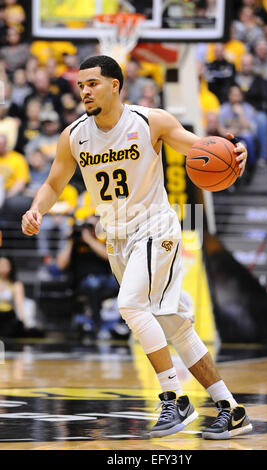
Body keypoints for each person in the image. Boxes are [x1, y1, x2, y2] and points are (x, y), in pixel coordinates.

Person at [21, 55, 251, 440]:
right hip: (117, 239)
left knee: (131, 305)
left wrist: (234, 150)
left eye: (92, 83)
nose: (84, 91)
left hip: (155, 228)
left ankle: (173, 399)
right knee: (175, 324)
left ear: (115, 85)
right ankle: (231, 407)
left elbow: (202, 150)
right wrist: (35, 209)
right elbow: (53, 184)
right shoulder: (73, 135)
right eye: (80, 86)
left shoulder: (150, 121)